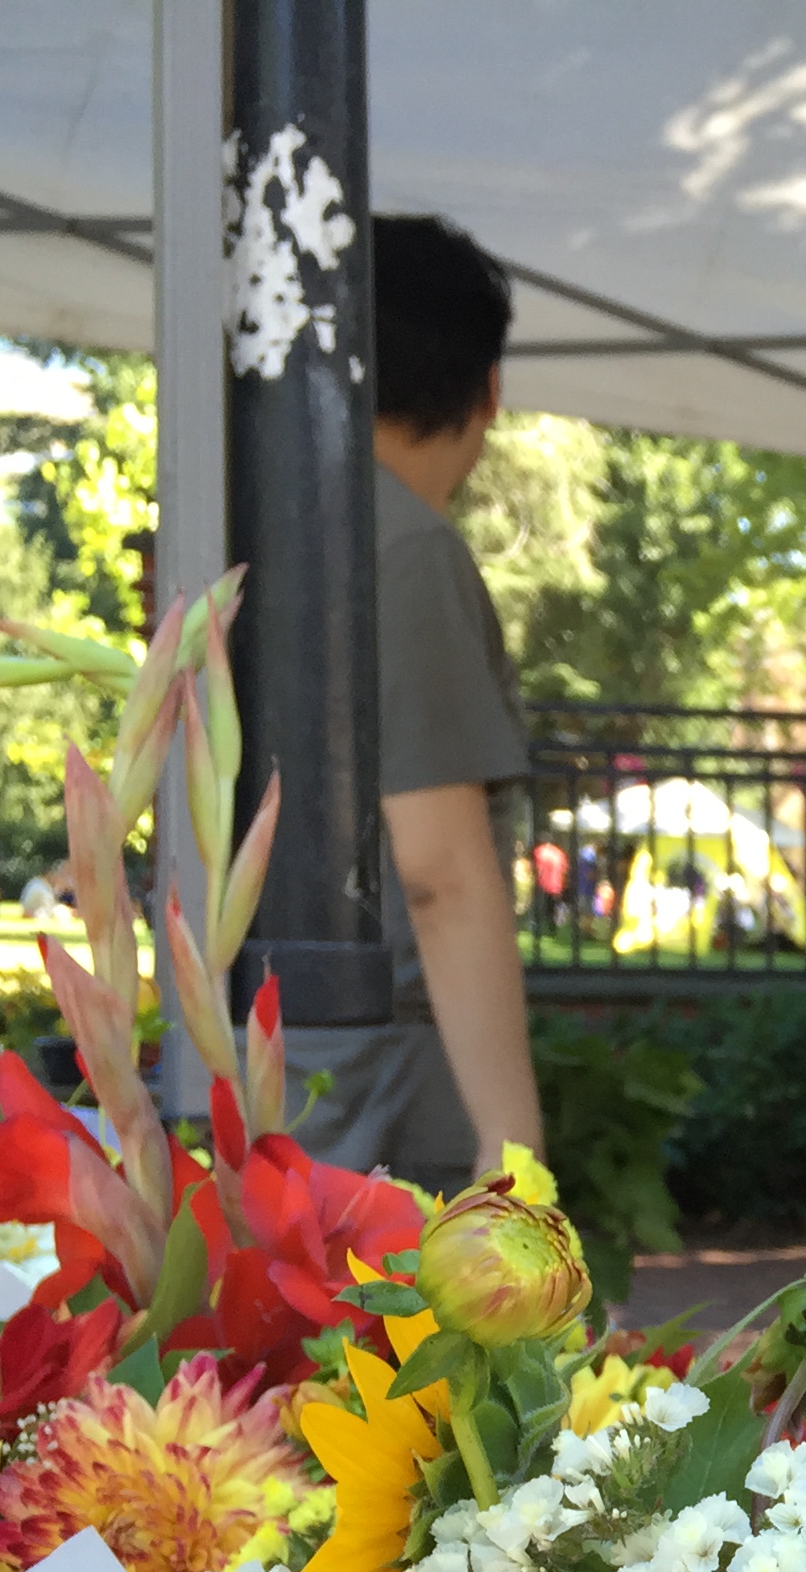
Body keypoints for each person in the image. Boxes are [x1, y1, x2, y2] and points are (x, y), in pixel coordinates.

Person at [288, 213, 544, 1184]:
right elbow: (439, 872)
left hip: (271, 1054)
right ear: (489, 389)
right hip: (374, 1080)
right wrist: (514, 1155)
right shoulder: (400, 549)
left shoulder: (273, 517)